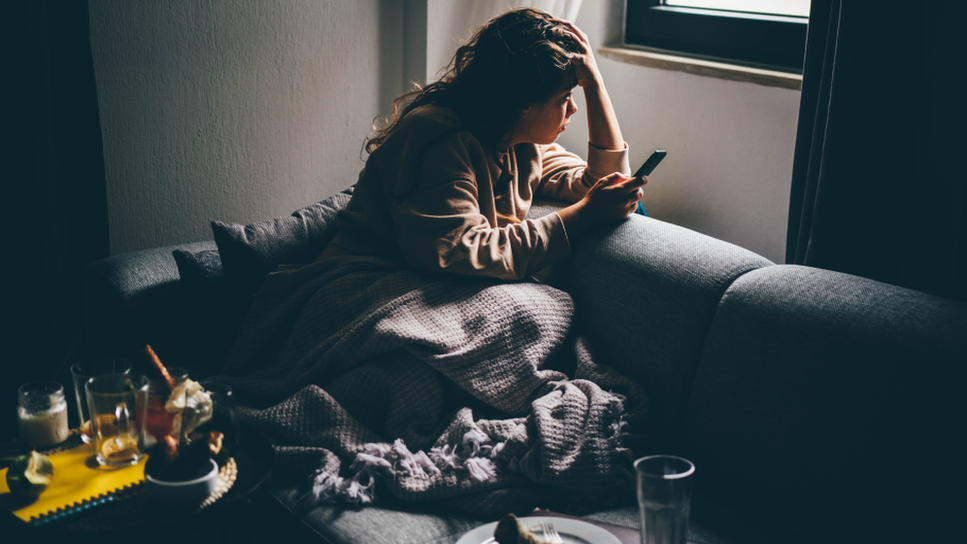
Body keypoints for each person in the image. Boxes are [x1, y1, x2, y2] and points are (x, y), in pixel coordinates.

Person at [316, 7, 647, 280]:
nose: (573, 109)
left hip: (414, 278)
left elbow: (605, 181)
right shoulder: (439, 139)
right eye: (566, 97)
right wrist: (584, 215)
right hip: (359, 277)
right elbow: (456, 251)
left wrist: (595, 85)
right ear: (525, 102)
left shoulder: (520, 143)